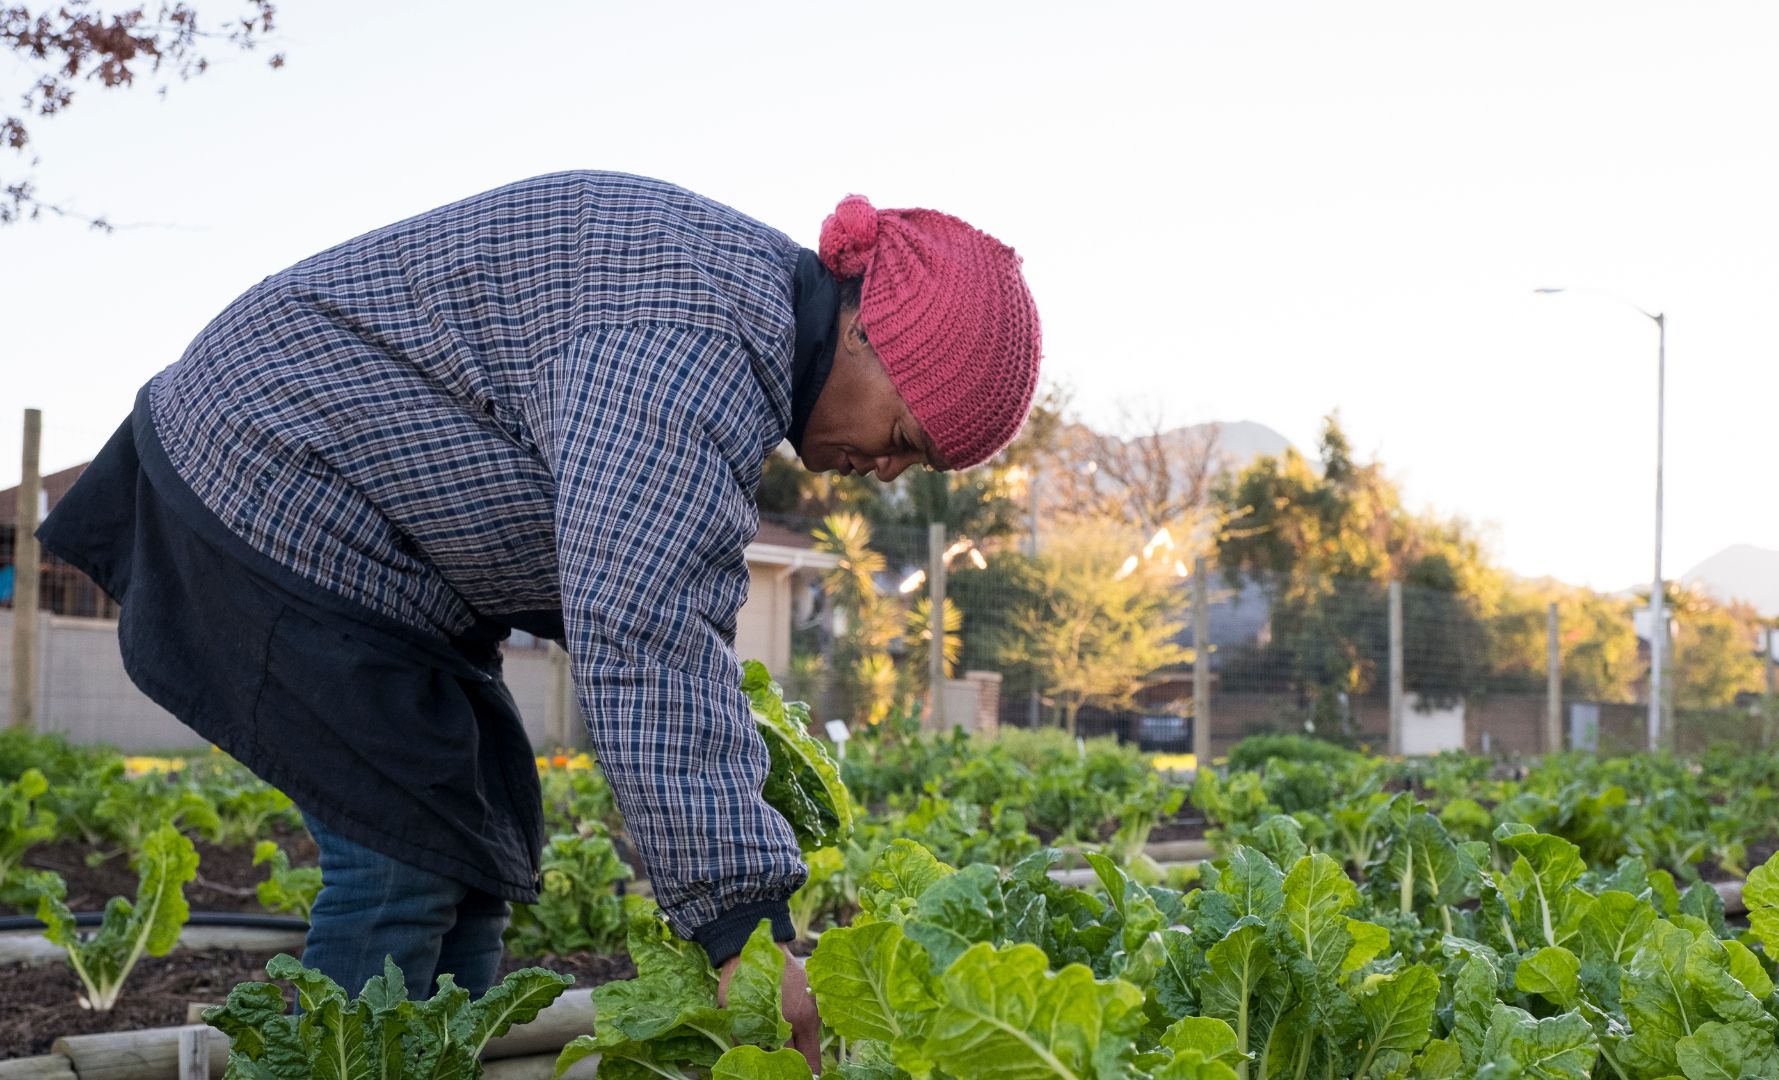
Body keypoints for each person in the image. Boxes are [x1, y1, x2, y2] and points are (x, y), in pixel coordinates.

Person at [36, 172, 1041, 1067]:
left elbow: (650, 579)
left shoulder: (728, 317)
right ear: (868, 330)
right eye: (905, 434)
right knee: (400, 855)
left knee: (466, 850)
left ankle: (433, 1058)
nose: (890, 468)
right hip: (267, 481)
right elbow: (643, 627)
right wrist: (744, 924)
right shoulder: (691, 340)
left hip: (375, 556)